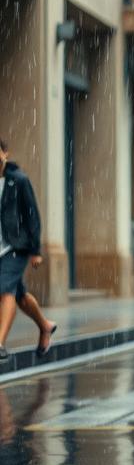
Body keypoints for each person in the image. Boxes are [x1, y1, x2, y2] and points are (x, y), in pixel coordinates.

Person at [0, 138, 57, 363]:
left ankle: (0, 344)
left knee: (5, 292)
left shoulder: (19, 181)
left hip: (16, 247)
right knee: (20, 296)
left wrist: (35, 249)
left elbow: (32, 215)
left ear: (5, 153)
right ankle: (45, 326)